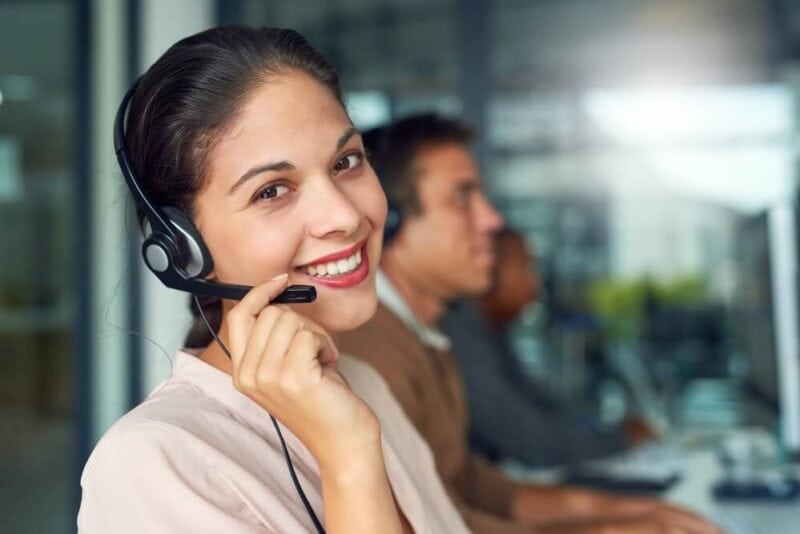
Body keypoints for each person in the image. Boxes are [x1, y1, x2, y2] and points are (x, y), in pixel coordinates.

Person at [77, 26, 472, 533]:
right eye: (272, 191)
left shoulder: (363, 384)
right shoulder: (151, 464)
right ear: (184, 248)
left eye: (345, 161)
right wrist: (348, 457)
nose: (344, 216)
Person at [335, 113, 721, 533]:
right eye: (462, 198)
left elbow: (470, 486)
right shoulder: (371, 349)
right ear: (388, 219)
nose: (491, 220)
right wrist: (613, 530)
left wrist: (634, 512)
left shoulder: (423, 333)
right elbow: (435, 524)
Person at [441, 228, 654, 468]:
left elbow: (544, 407)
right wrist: (620, 439)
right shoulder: (459, 333)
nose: (535, 284)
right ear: (487, 264)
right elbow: (529, 439)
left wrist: (607, 432)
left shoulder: (491, 331)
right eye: (527, 267)